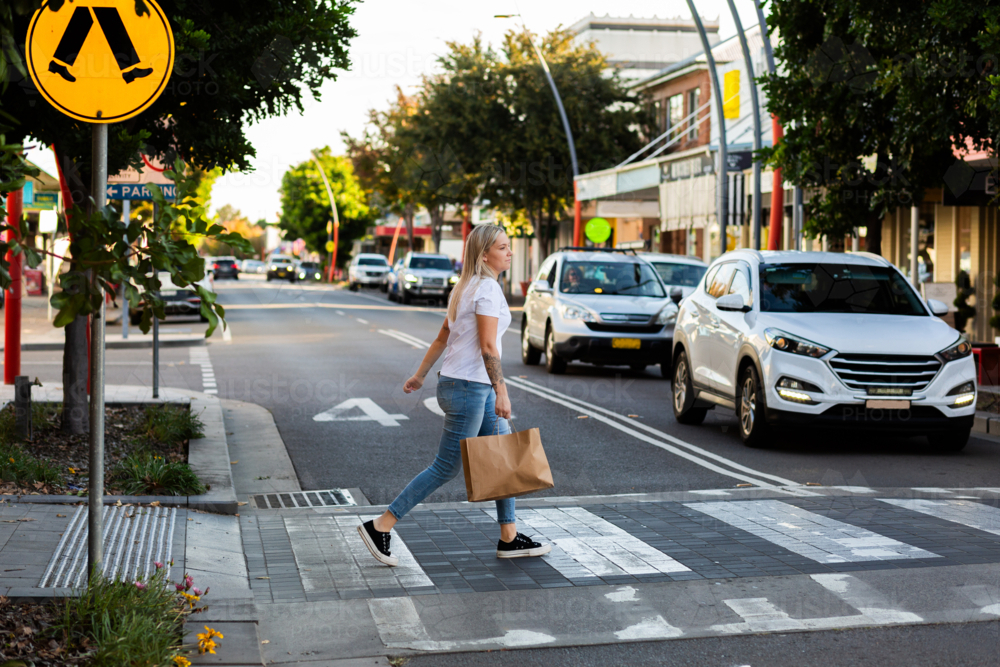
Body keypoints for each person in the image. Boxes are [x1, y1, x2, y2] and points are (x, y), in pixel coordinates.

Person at [357, 224, 551, 566]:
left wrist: (420, 375)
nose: (509, 252)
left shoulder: (466, 287)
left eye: (508, 247)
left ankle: (509, 537)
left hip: (464, 384)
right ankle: (381, 525)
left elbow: (443, 336)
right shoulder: (487, 290)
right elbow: (489, 346)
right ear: (484, 254)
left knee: (503, 457)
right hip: (470, 389)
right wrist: (502, 392)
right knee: (446, 467)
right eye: (503, 248)